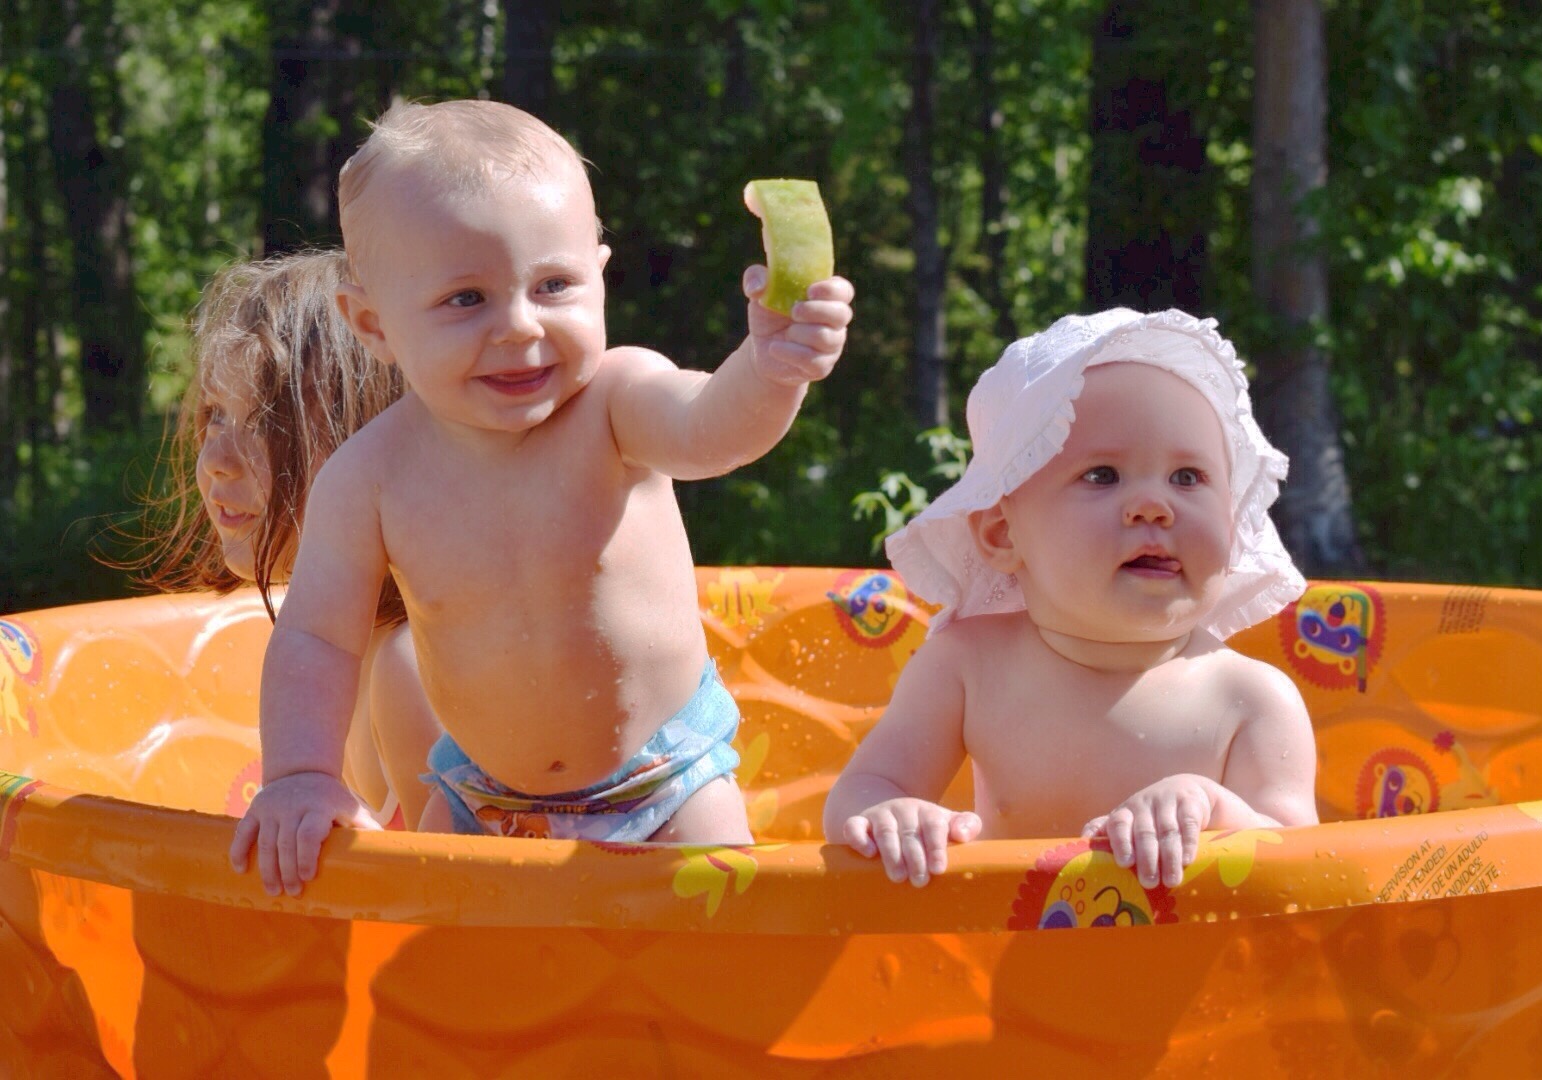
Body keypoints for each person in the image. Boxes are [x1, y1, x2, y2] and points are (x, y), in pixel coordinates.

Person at [229, 99, 856, 897]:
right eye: (467, 299)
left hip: (667, 781)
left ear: (600, 275)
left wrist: (771, 368)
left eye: (554, 285)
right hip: (482, 792)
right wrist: (301, 775)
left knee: (716, 942)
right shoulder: (369, 476)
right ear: (373, 324)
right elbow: (317, 638)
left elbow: (713, 431)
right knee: (439, 954)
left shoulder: (617, 403)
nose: (520, 326)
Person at [824, 309, 1317, 889]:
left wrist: (1215, 808)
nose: (1153, 506)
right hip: (1004, 947)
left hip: (1196, 948)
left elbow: (1306, 868)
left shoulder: (1251, 699)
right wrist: (890, 816)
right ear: (1003, 534)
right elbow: (864, 789)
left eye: (1187, 477)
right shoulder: (966, 666)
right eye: (1103, 475)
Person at [135, 250, 442, 833]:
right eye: (215, 414)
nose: (216, 459)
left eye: (268, 423)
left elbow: (477, 882)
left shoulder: (410, 667)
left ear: (372, 442)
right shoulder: (332, 657)